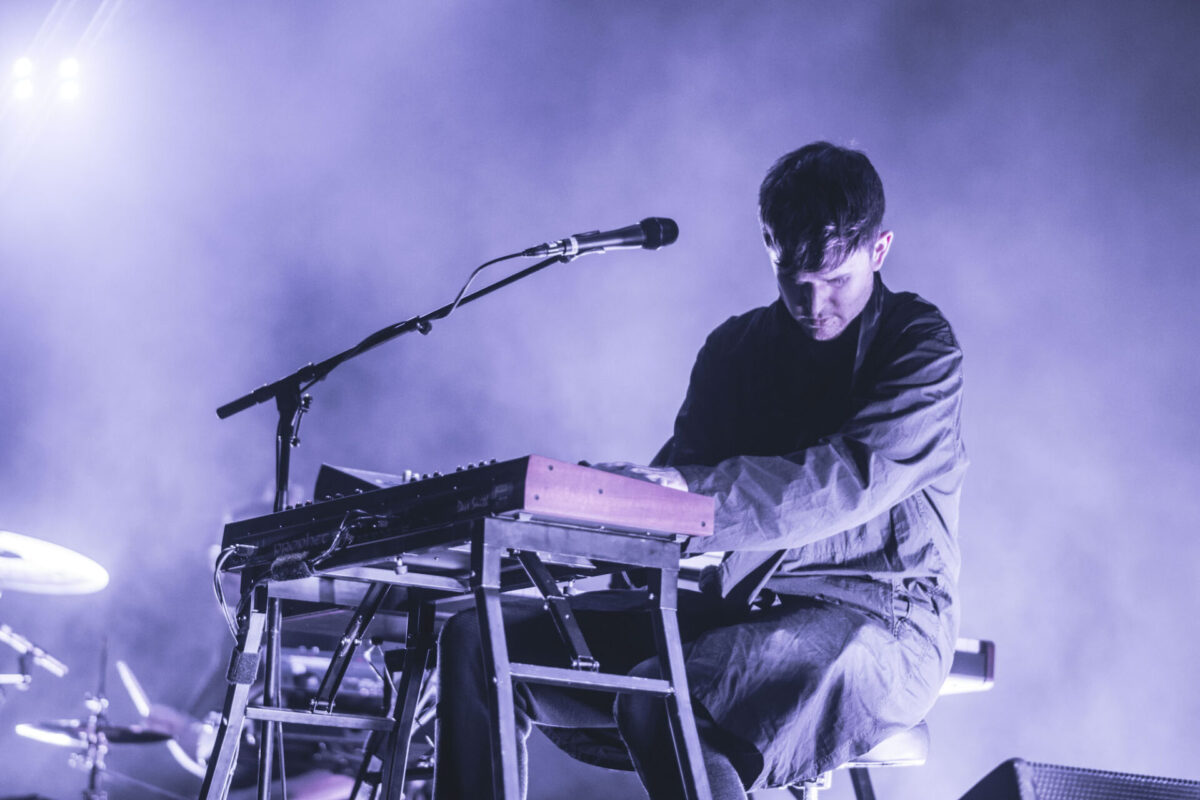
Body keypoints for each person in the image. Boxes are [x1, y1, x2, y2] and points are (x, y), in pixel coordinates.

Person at [434, 141, 967, 799]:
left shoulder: (920, 344)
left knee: (662, 700)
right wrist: (591, 506)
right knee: (476, 641)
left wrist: (684, 497)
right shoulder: (734, 350)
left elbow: (846, 479)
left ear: (879, 250)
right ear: (768, 247)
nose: (813, 302)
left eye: (835, 280)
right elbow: (676, 487)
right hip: (739, 611)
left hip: (883, 622)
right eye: (793, 279)